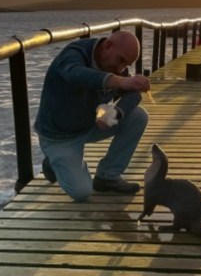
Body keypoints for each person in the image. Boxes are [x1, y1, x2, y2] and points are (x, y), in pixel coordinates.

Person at [34, 30, 151, 202]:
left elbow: (132, 93)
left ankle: (107, 177)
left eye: (126, 65)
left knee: (138, 117)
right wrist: (120, 81)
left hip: (88, 124)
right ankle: (53, 161)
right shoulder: (74, 54)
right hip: (59, 136)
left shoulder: (113, 65)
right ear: (107, 46)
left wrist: (116, 112)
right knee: (82, 192)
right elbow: (75, 74)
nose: (120, 69)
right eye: (120, 60)